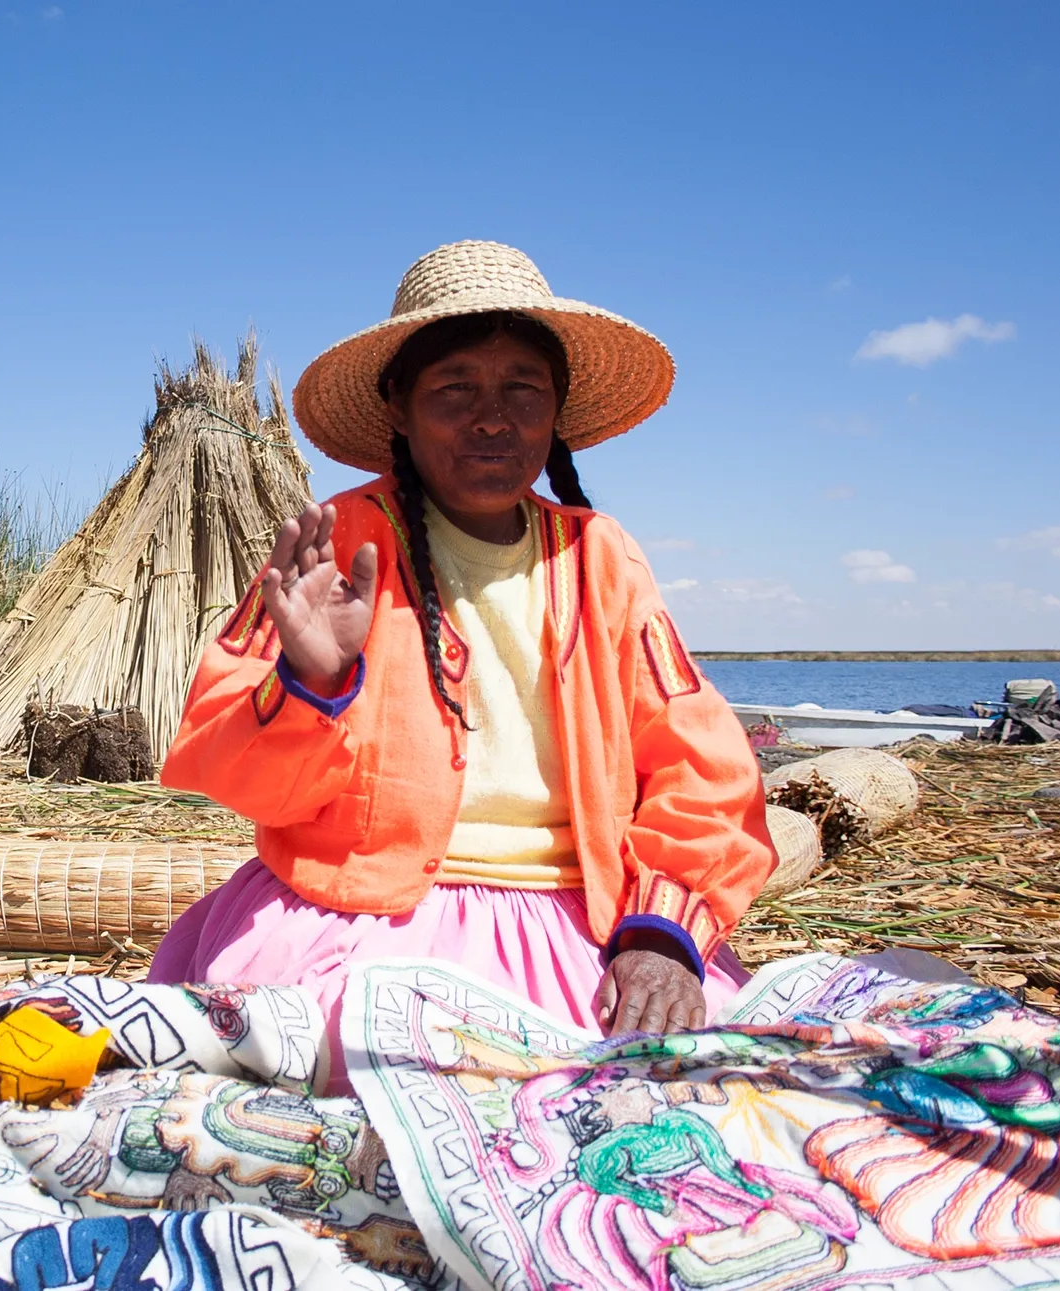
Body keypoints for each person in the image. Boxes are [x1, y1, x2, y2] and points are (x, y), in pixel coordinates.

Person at [149, 241, 775, 1076]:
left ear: (554, 411)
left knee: (689, 1087)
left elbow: (703, 768)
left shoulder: (601, 558)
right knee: (350, 1077)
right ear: (399, 408)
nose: (492, 417)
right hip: (358, 919)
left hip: (581, 927)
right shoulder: (339, 547)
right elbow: (239, 771)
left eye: (523, 388)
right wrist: (314, 683)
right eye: (454, 388)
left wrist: (660, 937)